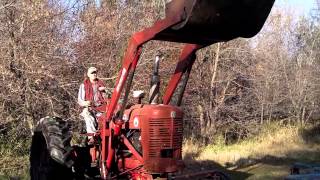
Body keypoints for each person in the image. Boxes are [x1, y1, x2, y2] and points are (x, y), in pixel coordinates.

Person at [78, 67, 107, 145]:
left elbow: (106, 98)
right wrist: (86, 103)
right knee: (88, 116)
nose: (94, 74)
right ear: (88, 75)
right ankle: (92, 137)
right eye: (92, 73)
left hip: (101, 108)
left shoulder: (101, 84)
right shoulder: (84, 85)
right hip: (89, 107)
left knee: (107, 118)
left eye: (95, 72)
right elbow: (80, 101)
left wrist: (105, 91)